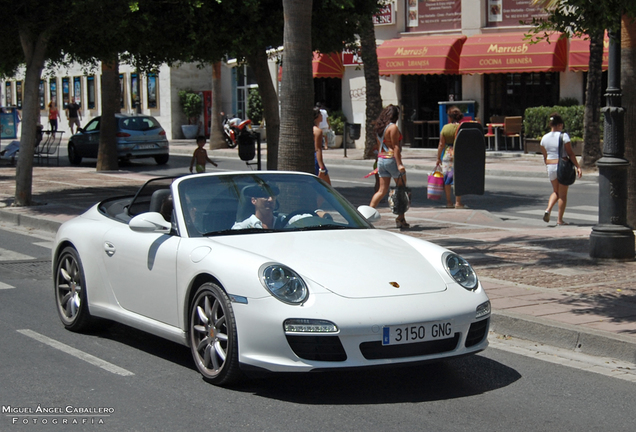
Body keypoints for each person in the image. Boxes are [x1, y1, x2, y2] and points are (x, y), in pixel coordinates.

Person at [369, 104, 409, 229]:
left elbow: (377, 146)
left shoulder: (379, 128)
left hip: (381, 159)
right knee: (401, 189)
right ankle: (400, 218)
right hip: (391, 159)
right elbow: (395, 147)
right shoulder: (393, 128)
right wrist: (399, 164)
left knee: (381, 190)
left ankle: (366, 216)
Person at [540, 112, 582, 225]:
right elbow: (570, 153)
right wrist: (578, 166)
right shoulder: (564, 136)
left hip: (550, 166)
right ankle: (559, 220)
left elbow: (545, 156)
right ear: (559, 125)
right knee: (563, 195)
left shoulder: (544, 138)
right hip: (561, 166)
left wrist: (549, 166)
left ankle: (548, 209)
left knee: (555, 191)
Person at [436, 106, 464, 209]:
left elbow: (441, 144)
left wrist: (438, 157)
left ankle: (449, 202)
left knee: (447, 179)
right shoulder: (462, 127)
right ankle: (458, 202)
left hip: (448, 154)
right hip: (460, 154)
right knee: (459, 179)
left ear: (450, 117)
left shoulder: (445, 128)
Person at [313, 108, 331, 185]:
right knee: (327, 187)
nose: (322, 116)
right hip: (316, 159)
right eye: (320, 114)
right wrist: (321, 167)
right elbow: (318, 149)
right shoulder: (318, 131)